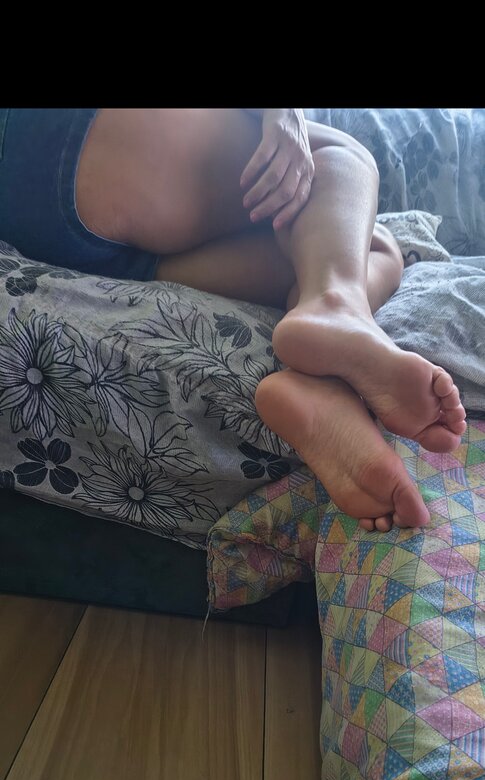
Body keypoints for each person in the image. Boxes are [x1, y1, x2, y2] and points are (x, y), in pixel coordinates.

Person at [0, 108, 466, 532]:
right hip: (64, 138)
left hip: (52, 207)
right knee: (338, 155)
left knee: (372, 246)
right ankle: (335, 307)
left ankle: (320, 382)